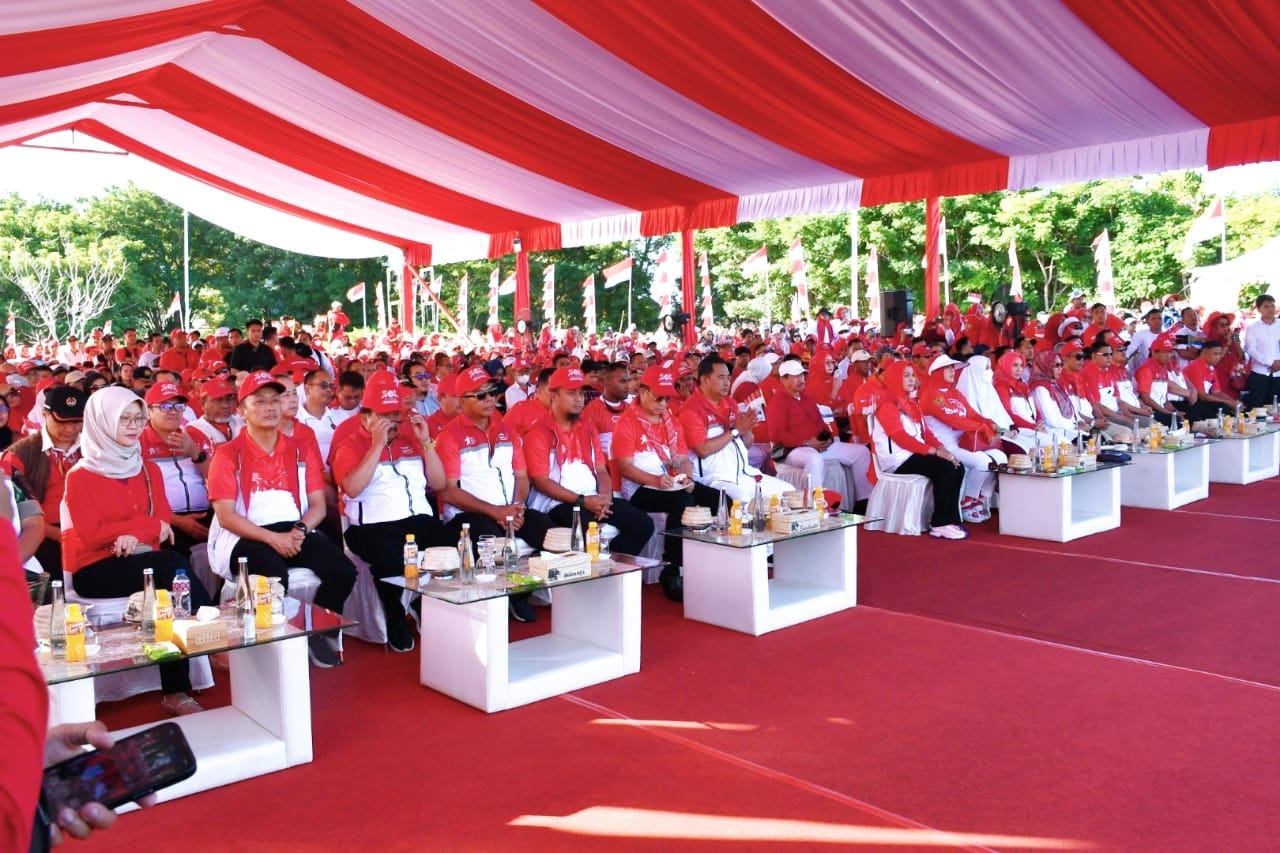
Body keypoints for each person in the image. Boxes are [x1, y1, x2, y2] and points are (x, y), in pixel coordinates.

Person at [61, 387, 213, 715]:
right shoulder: (80, 476)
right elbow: (90, 536)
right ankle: (210, 630)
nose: (133, 426)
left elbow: (161, 521)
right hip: (95, 568)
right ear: (101, 422)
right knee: (171, 565)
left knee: (166, 585)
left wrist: (133, 532)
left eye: (138, 419)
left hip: (146, 560)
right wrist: (134, 530)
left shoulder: (148, 469)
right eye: (124, 419)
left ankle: (175, 692)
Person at [206, 371, 356, 668]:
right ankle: (277, 647)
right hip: (243, 535)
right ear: (242, 410)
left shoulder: (300, 449)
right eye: (259, 401)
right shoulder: (227, 455)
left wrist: (299, 531)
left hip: (293, 528)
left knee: (343, 570)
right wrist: (273, 539)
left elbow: (317, 506)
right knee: (274, 576)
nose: (270, 407)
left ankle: (317, 630)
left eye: (275, 400)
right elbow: (225, 516)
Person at [332, 376, 452, 653]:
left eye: (397, 417)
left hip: (417, 518)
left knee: (452, 546)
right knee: (389, 558)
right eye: (385, 417)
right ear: (366, 417)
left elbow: (439, 483)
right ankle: (394, 613)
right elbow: (350, 488)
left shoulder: (411, 438)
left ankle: (426, 604)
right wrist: (376, 445)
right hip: (371, 524)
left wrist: (426, 443)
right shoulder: (350, 444)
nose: (394, 424)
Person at [434, 366, 554, 623]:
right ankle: (493, 604)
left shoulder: (506, 429)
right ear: (462, 401)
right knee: (495, 540)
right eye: (480, 395)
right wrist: (496, 512)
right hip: (469, 516)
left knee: (554, 536)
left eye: (492, 392)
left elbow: (521, 476)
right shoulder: (449, 436)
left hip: (510, 509)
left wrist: (517, 506)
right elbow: (449, 491)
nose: (490, 399)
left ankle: (519, 594)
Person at [612, 365, 721, 602]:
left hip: (671, 481)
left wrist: (687, 477)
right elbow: (625, 466)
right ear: (642, 392)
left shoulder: (670, 420)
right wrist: (656, 480)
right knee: (683, 501)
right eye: (658, 397)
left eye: (667, 398)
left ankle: (708, 562)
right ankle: (672, 567)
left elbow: (682, 457)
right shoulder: (627, 422)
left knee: (719, 500)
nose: (663, 403)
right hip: (640, 488)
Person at [525, 367, 654, 556]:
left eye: (581, 393)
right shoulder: (538, 433)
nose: (579, 399)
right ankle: (597, 571)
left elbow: (601, 470)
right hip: (557, 503)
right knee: (588, 531)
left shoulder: (587, 427)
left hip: (593, 497)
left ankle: (611, 570)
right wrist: (583, 501)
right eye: (571, 393)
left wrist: (605, 500)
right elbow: (542, 482)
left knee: (643, 524)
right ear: (553, 395)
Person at [871, 361, 967, 539]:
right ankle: (939, 524)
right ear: (894, 378)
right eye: (906, 375)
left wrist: (944, 450)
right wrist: (934, 452)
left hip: (914, 454)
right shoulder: (888, 404)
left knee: (956, 465)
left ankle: (949, 518)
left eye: (913, 375)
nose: (911, 379)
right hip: (898, 460)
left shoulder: (911, 404)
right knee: (944, 468)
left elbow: (927, 433)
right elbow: (901, 437)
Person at [1, 386, 85, 584]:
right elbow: (22, 516)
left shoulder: (94, 448)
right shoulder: (21, 454)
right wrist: (62, 536)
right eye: (62, 421)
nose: (71, 429)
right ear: (45, 414)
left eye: (77, 422)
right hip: (46, 534)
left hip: (90, 529)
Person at [679, 355, 791, 503]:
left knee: (789, 492)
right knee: (743, 501)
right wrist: (736, 431)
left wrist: (747, 429)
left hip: (744, 474)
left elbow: (746, 444)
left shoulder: (730, 403)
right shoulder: (691, 410)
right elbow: (703, 450)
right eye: (721, 378)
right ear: (705, 380)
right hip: (713, 479)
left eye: (728, 377)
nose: (727, 383)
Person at [766, 359, 872, 509]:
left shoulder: (807, 397)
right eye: (795, 376)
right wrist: (807, 443)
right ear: (784, 379)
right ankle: (814, 505)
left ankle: (863, 502)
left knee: (861, 452)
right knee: (813, 458)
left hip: (819, 446)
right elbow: (777, 435)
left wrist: (827, 439)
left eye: (802, 375)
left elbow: (821, 424)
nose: (800, 379)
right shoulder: (777, 402)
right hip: (792, 450)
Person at [921, 354, 1006, 523]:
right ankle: (967, 500)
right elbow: (954, 420)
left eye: (953, 367)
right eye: (947, 367)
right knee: (983, 462)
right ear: (936, 371)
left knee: (1001, 458)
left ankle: (980, 497)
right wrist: (982, 427)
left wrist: (989, 423)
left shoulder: (955, 393)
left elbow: (972, 414)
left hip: (964, 442)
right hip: (946, 446)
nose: (952, 370)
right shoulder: (930, 395)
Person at [138, 381, 214, 553]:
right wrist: (177, 521)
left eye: (179, 406)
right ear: (149, 410)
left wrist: (195, 454)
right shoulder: (138, 442)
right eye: (165, 406)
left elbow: (218, 479)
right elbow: (137, 497)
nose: (173, 411)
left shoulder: (196, 436)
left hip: (206, 513)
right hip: (165, 520)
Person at [1243, 294, 1280, 408]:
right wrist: (1270, 363)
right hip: (1260, 373)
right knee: (1257, 406)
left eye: (1272, 306)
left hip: (1279, 373)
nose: (1270, 309)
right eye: (1266, 306)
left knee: (1276, 406)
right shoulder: (1253, 328)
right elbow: (1251, 349)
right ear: (1259, 309)